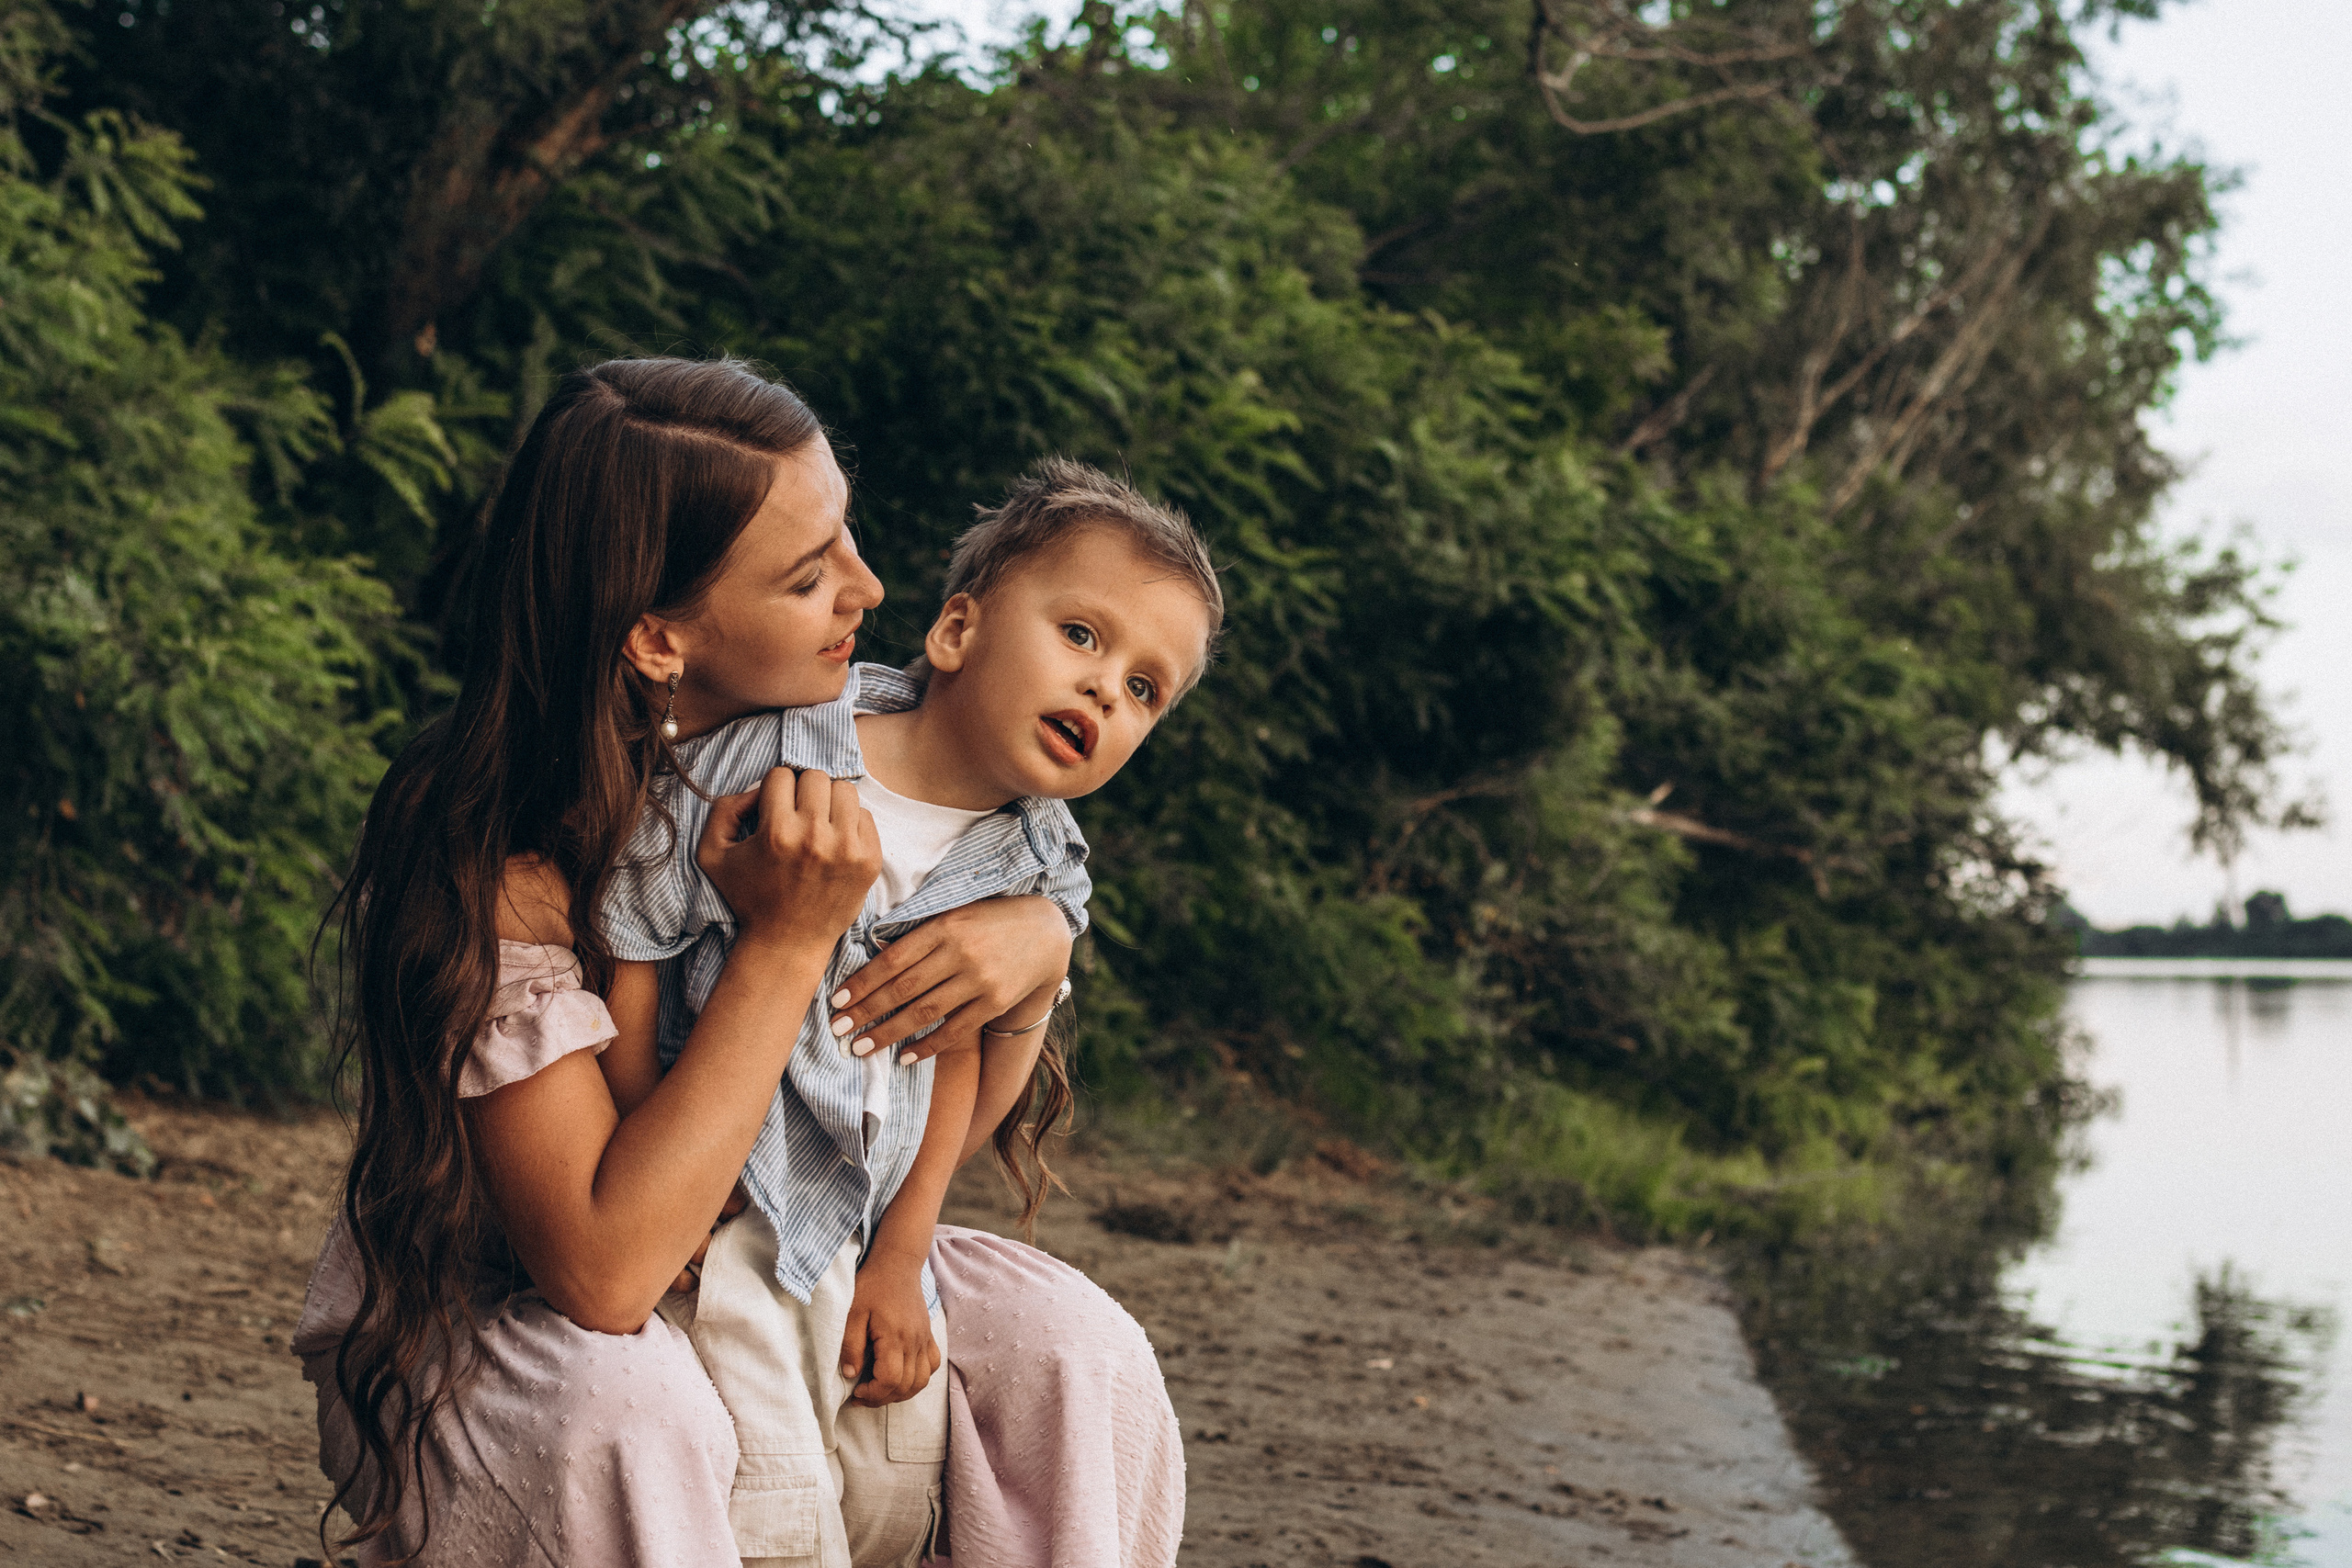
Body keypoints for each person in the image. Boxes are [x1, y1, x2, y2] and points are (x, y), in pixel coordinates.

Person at [289, 357, 1183, 1568]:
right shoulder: (504, 857)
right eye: (812, 573)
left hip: (783, 1245)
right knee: (630, 1412)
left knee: (1076, 1348)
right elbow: (606, 1270)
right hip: (522, 1311)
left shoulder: (863, 764)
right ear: (661, 637)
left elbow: (871, 1123)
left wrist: (1041, 944)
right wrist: (791, 935)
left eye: (848, 535)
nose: (867, 583)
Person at [597, 458, 1220, 1567]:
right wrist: (651, 1161)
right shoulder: (776, 751)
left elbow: (972, 1065)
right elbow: (636, 940)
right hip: (735, 1211)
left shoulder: (1040, 866)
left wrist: (905, 1246)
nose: (1103, 690)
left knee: (889, 1503)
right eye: (1082, 636)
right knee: (775, 1508)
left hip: (872, 1237)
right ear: (956, 631)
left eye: (1143, 691)